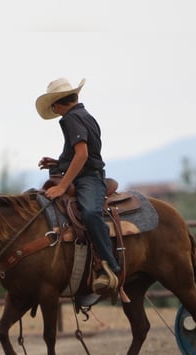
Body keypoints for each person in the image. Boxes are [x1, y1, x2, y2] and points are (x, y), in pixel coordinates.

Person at [36, 77, 121, 292]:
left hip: (89, 178)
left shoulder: (72, 118)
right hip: (84, 173)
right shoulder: (83, 115)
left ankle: (109, 265)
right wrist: (58, 163)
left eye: (53, 104)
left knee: (91, 213)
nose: (53, 109)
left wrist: (62, 186)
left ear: (59, 102)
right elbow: (83, 152)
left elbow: (82, 155)